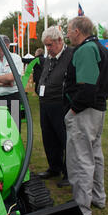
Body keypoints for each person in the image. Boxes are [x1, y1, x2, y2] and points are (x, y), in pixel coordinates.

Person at [64, 16, 108, 215]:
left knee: (81, 160)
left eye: (68, 30)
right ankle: (98, 198)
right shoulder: (100, 48)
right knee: (95, 155)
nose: (67, 34)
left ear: (77, 31)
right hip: (97, 110)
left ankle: (81, 209)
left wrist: (73, 111)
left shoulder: (85, 49)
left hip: (85, 111)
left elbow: (87, 88)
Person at [36, 27, 73, 188]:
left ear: (59, 40)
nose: (48, 49)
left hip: (61, 104)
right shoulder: (50, 57)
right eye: (46, 45)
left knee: (64, 139)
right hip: (45, 103)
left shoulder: (71, 55)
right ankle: (54, 167)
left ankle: (69, 172)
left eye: (50, 45)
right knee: (49, 138)